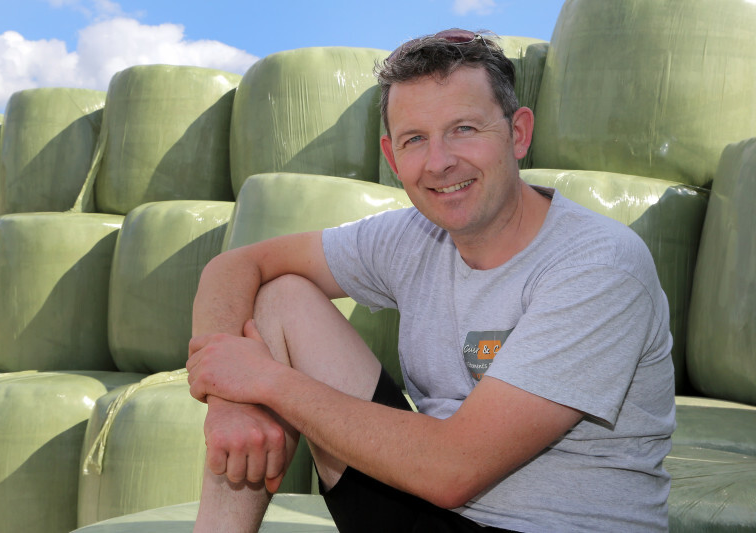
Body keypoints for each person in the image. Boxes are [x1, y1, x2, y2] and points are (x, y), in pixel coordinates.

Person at [186, 29, 676, 532]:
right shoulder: (412, 237)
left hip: (540, 522)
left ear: (518, 133)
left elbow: (453, 470)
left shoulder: (598, 264)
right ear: (392, 157)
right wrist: (229, 403)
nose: (440, 162)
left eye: (464, 128)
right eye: (415, 139)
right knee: (281, 297)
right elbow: (234, 266)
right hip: (422, 509)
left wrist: (267, 382)